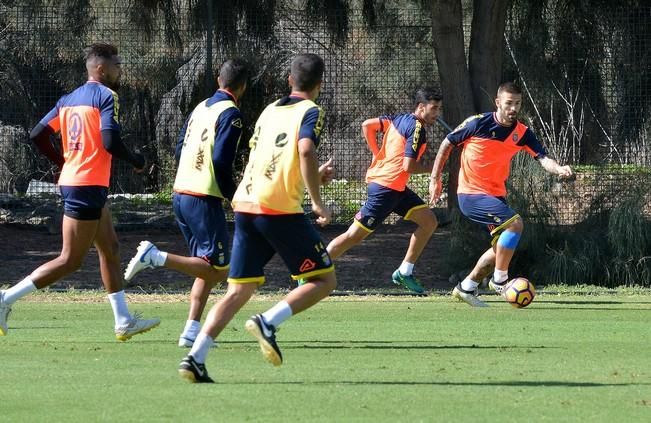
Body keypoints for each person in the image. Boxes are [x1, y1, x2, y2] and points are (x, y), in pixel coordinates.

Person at [177, 53, 336, 383]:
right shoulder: (311, 111)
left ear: (289, 80)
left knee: (239, 289)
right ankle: (269, 322)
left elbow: (268, 158)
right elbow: (304, 150)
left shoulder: (269, 111)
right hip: (277, 209)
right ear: (320, 85)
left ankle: (195, 358)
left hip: (246, 203)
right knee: (323, 280)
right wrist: (318, 202)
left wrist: (311, 177)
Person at [0, 42, 160, 338]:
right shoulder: (106, 96)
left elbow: (38, 134)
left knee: (110, 248)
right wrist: (137, 160)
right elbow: (110, 141)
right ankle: (5, 299)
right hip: (85, 186)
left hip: (85, 183)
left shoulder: (68, 99)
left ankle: (123, 320)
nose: (119, 68)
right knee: (70, 260)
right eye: (116, 63)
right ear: (101, 68)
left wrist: (63, 161)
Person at [122, 59, 249, 347]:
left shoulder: (201, 107)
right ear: (243, 87)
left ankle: (191, 331)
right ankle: (155, 257)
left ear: (219, 80)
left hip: (181, 192)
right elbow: (220, 161)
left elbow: (180, 147)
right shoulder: (232, 114)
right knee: (218, 268)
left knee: (203, 266)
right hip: (203, 196)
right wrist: (235, 196)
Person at [429, 82, 573, 307]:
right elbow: (448, 143)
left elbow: (543, 158)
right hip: (470, 194)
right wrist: (435, 179)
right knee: (515, 225)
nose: (513, 108)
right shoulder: (478, 123)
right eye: (508, 103)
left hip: (495, 196)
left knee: (501, 248)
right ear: (498, 103)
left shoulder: (522, 133)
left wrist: (560, 169)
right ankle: (500, 280)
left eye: (517, 103)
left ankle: (466, 287)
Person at [310, 88, 442, 294]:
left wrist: (376, 153)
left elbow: (367, 125)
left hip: (395, 188)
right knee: (353, 236)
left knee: (429, 221)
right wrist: (435, 167)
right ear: (421, 107)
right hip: (385, 189)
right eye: (434, 108)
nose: (437, 113)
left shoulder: (397, 119)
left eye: (439, 109)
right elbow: (409, 167)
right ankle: (312, 272)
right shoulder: (416, 128)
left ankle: (404, 272)